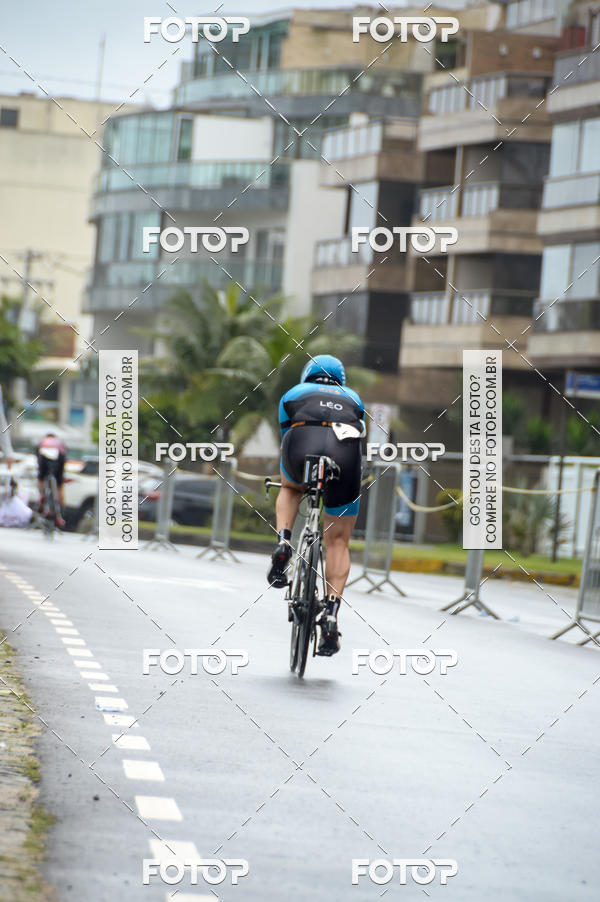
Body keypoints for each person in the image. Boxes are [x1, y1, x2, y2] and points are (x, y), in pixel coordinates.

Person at [267, 355, 365, 656]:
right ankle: (332, 612)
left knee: (290, 486)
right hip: (344, 454)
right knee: (337, 541)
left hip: (302, 443)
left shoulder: (293, 394)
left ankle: (284, 541)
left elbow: (287, 438)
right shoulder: (354, 398)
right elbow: (358, 436)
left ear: (307, 374)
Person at [36, 432, 67, 528]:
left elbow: (37, 455)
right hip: (59, 457)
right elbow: (64, 454)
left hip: (43, 457)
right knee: (59, 486)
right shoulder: (59, 442)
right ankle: (59, 512)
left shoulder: (42, 441)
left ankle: (42, 495)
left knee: (40, 478)